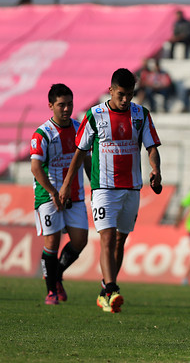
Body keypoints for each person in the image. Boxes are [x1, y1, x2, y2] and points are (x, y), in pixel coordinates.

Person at [59, 68, 163, 314]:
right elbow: (80, 152)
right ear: (111, 91)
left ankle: (105, 289)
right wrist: (66, 184)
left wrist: (156, 169)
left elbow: (151, 147)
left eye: (130, 94)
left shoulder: (141, 115)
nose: (126, 100)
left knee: (120, 241)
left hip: (132, 187)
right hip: (104, 188)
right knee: (106, 238)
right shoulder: (95, 115)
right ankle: (112, 289)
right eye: (121, 94)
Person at [30, 84, 91, 305]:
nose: (66, 109)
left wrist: (95, 182)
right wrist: (53, 192)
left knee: (80, 240)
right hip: (48, 196)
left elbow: (85, 159)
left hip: (74, 193)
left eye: (70, 104)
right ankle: (51, 292)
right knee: (53, 241)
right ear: (51, 106)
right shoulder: (42, 133)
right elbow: (36, 168)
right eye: (61, 105)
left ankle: (56, 276)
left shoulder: (79, 128)